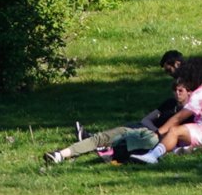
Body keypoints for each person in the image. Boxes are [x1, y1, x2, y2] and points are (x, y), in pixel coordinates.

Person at [43, 51, 187, 164]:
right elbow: (147, 119)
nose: (176, 92)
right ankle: (63, 153)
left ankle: (81, 148)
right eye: (174, 89)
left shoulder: (190, 109)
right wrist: (154, 129)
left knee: (113, 140)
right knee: (106, 137)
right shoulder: (170, 103)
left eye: (180, 90)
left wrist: (156, 133)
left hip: (148, 136)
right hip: (144, 129)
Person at [149, 56, 202, 155]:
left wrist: (158, 133)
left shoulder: (201, 92)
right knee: (172, 133)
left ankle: (153, 155)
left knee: (174, 131)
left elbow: (179, 117)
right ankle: (172, 150)